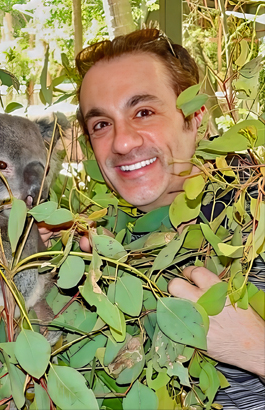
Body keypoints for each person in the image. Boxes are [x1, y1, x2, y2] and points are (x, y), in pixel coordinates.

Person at [67, 28, 265, 408]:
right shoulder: (100, 248)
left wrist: (253, 347)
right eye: (101, 124)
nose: (122, 142)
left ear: (196, 116)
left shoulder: (256, 214)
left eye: (144, 112)